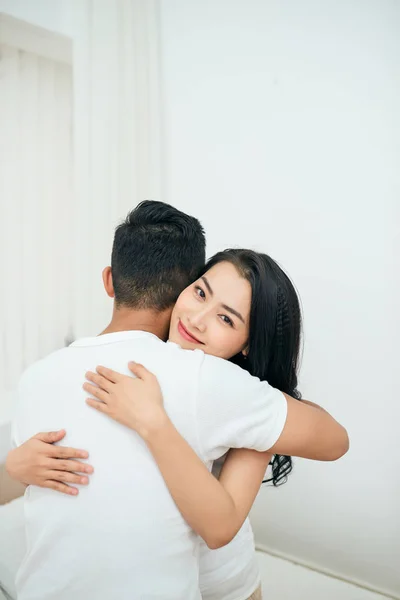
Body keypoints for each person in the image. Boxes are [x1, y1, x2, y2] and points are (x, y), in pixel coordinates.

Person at [7, 202, 349, 600]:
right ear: (181, 289)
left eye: (227, 318)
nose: (197, 318)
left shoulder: (226, 387)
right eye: (200, 292)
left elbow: (222, 528)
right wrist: (16, 467)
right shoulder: (106, 372)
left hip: (225, 578)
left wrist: (154, 423)